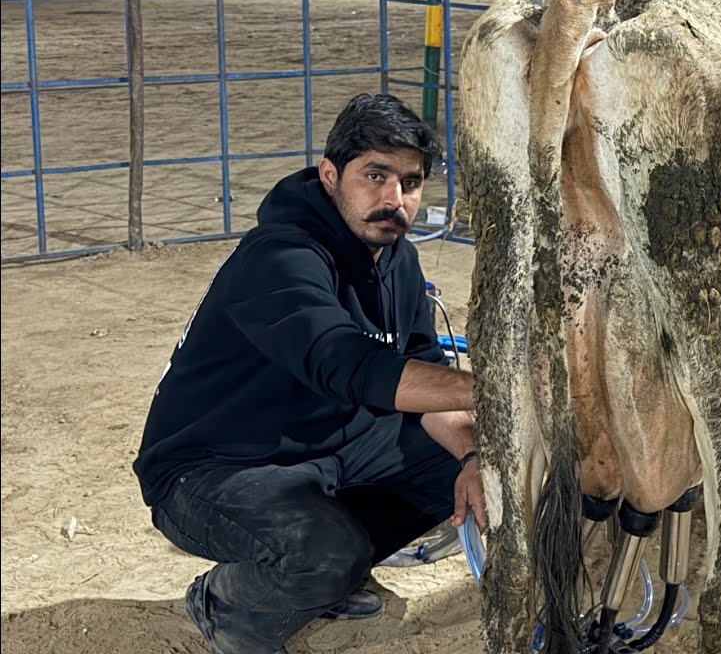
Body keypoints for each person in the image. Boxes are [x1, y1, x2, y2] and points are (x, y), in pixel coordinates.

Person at [132, 92, 487, 653]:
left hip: (325, 447)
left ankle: (330, 573)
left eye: (411, 183)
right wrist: (504, 389)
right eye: (375, 175)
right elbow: (345, 365)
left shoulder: (398, 259)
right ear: (329, 175)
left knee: (462, 467)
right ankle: (225, 602)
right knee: (322, 553)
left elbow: (425, 374)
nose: (394, 199)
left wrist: (471, 455)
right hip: (212, 468)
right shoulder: (281, 256)